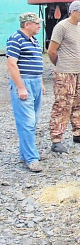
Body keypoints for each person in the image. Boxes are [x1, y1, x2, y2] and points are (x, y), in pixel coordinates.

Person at [48, 0, 80, 153]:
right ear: (73, 12)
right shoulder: (61, 27)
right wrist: (61, 66)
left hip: (79, 71)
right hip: (65, 72)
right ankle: (56, 139)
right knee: (62, 104)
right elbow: (52, 51)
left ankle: (78, 133)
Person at [6, 13, 45, 172]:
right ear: (27, 24)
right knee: (27, 122)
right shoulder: (15, 39)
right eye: (36, 24)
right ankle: (31, 158)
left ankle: (25, 153)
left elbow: (36, 62)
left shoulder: (33, 40)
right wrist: (21, 87)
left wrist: (40, 82)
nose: (39, 27)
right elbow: (11, 64)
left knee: (32, 121)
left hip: (35, 82)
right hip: (25, 82)